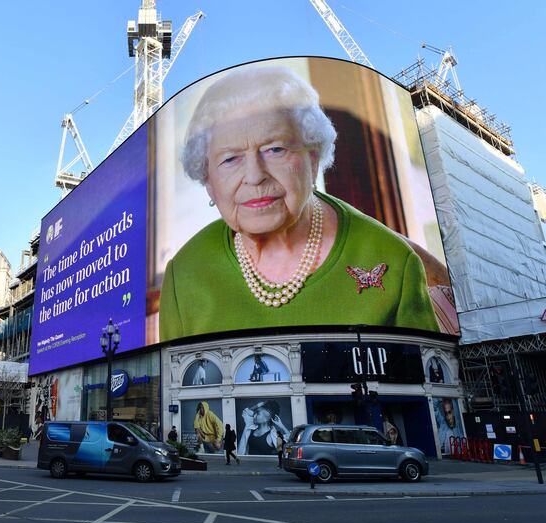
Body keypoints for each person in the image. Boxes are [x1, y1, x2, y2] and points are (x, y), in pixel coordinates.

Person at [158, 63, 440, 342]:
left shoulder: (394, 261)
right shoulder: (184, 275)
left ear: (313, 158)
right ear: (208, 182)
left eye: (275, 149)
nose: (255, 177)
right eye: (230, 159)